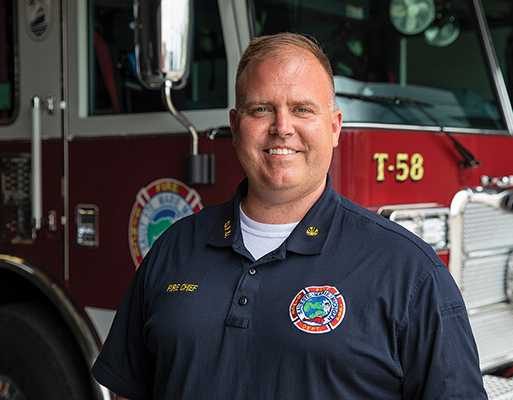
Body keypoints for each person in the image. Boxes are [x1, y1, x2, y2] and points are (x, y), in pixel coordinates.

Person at [92, 32, 488, 399]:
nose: (282, 128)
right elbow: (129, 390)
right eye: (261, 109)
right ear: (235, 126)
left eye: (302, 109)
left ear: (334, 128)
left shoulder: (411, 273)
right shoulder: (174, 247)